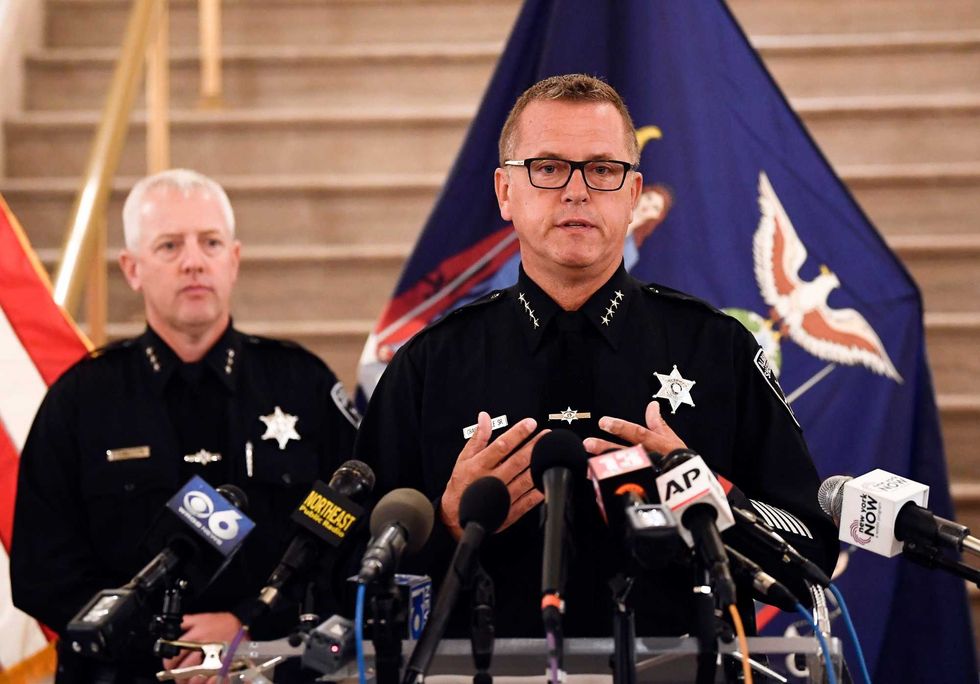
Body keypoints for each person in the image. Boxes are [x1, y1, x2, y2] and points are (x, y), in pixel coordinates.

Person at [354, 74, 839, 638]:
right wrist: (445, 525)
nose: (577, 191)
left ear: (633, 195)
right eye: (548, 167)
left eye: (603, 170)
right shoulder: (428, 364)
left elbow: (812, 553)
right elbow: (347, 576)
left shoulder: (718, 349)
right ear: (505, 192)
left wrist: (707, 494)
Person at [11, 169, 359, 682]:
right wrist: (160, 640)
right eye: (169, 245)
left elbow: (348, 541)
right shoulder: (81, 400)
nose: (193, 261)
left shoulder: (302, 385)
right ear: (132, 268)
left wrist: (247, 625)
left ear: (233, 260)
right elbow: (41, 571)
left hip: (271, 664)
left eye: (210, 243)